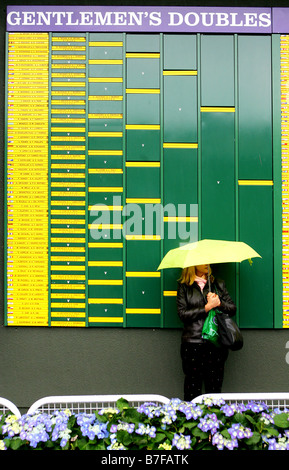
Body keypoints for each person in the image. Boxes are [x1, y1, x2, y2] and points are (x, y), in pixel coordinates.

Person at [177, 264, 236, 401]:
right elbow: (182, 314)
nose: (207, 265)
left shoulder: (218, 284)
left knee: (214, 388)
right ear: (193, 265)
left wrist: (219, 303)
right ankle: (192, 419)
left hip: (215, 343)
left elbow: (232, 309)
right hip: (192, 343)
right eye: (203, 262)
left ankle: (213, 418)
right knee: (192, 388)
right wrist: (206, 307)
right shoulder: (184, 286)